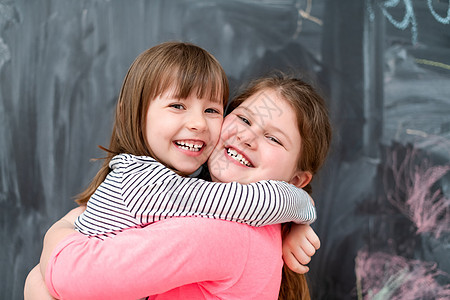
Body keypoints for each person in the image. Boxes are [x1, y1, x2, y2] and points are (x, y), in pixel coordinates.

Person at [24, 43, 328, 298]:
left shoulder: (217, 233)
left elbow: (64, 272)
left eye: (210, 110)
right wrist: (299, 207)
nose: (246, 137)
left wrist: (55, 237)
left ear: (299, 178)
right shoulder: (152, 185)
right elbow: (259, 201)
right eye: (245, 119)